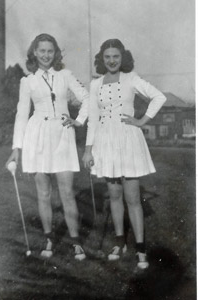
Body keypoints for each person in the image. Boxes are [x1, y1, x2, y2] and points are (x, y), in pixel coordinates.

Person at [82, 39, 166, 269]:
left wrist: (141, 121)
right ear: (102, 59)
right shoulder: (96, 84)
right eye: (107, 57)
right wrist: (88, 150)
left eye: (116, 56)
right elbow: (92, 119)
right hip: (105, 142)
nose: (111, 61)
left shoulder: (131, 79)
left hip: (128, 140)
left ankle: (140, 248)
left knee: (132, 198)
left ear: (123, 58)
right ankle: (120, 243)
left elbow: (159, 97)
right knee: (114, 196)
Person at [6, 33, 89, 260]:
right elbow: (22, 115)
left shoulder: (65, 75)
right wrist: (17, 148)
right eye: (41, 51)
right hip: (37, 136)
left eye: (50, 51)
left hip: (62, 135)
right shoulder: (28, 81)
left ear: (56, 53)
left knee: (67, 192)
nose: (45, 55)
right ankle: (50, 239)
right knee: (43, 193)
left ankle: (75, 242)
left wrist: (79, 120)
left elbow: (87, 98)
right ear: (34, 52)